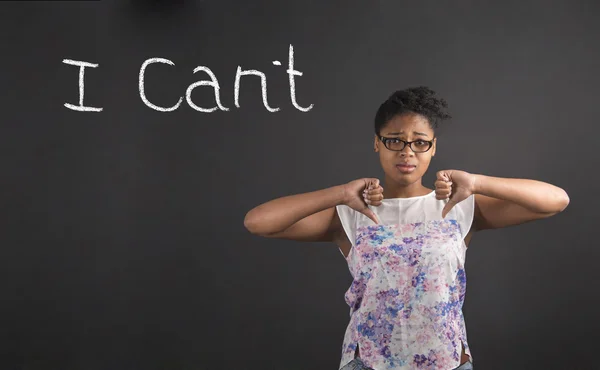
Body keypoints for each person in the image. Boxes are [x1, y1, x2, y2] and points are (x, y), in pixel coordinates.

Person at [243, 86, 570, 370]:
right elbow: (258, 222)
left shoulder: (459, 204)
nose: (407, 152)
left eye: (420, 142)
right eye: (395, 140)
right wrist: (341, 193)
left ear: (434, 147)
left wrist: (476, 182)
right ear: (377, 143)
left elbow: (555, 200)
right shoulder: (350, 211)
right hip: (367, 362)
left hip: (448, 362)